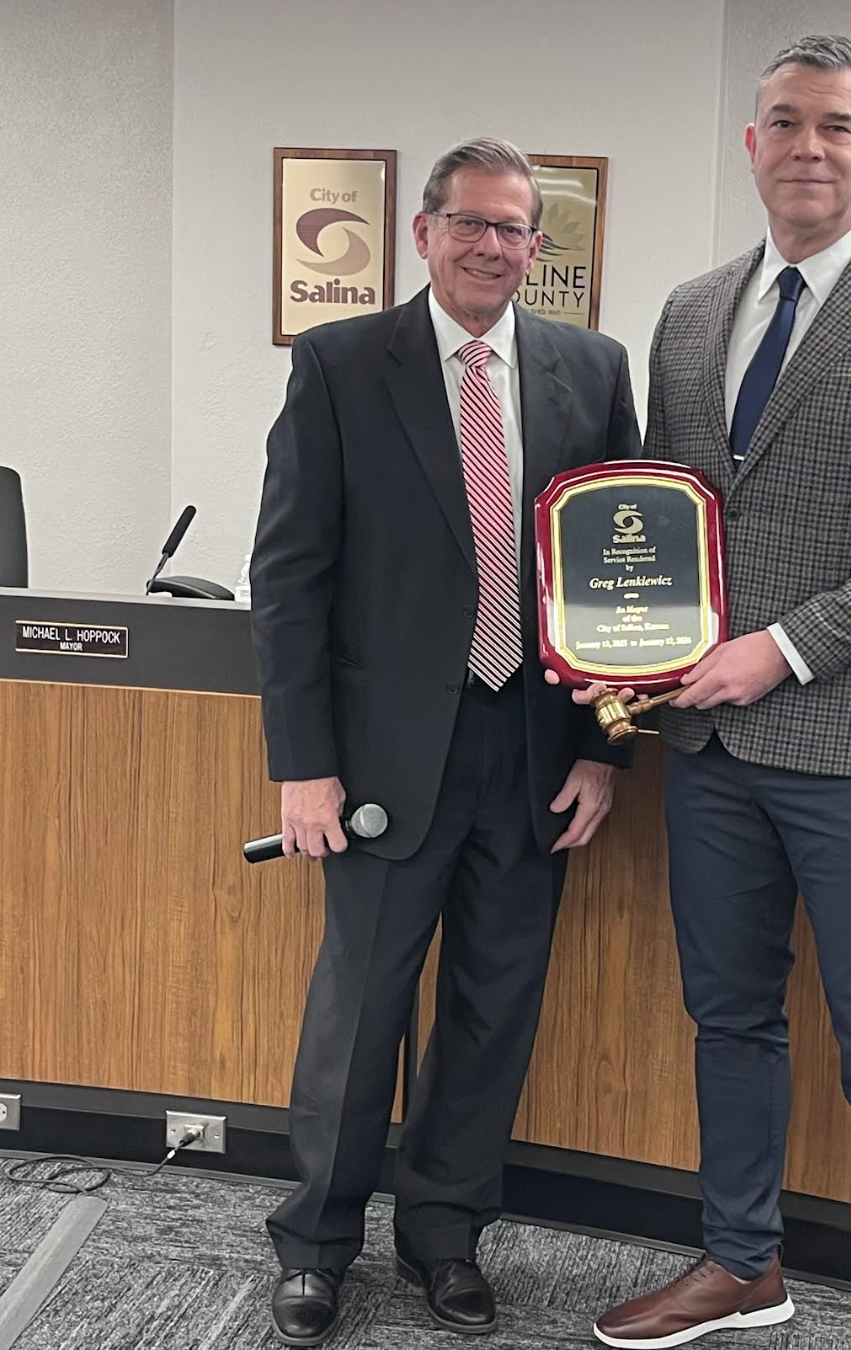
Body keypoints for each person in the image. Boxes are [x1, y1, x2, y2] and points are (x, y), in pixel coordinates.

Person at [586, 34, 851, 1350]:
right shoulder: (693, 309)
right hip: (708, 746)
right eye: (786, 123)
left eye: (837, 126)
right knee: (727, 1014)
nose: (810, 147)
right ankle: (741, 1265)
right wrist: (618, 666)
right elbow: (664, 520)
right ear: (753, 144)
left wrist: (784, 645)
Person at [249, 136, 640, 1347]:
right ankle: (317, 1242)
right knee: (361, 1009)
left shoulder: (590, 367)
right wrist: (302, 765)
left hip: (531, 750)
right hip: (379, 764)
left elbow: (619, 580)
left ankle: (444, 1237)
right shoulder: (339, 363)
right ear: (423, 232)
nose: (489, 246)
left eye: (513, 228)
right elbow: (290, 578)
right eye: (467, 222)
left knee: (491, 1007)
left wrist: (603, 749)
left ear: (538, 247)